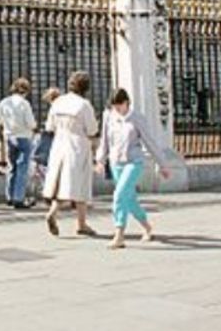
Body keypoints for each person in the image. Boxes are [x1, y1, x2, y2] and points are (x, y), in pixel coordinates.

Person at [95, 88, 172, 249]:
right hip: (116, 162)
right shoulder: (109, 117)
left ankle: (119, 234)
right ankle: (147, 226)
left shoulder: (137, 118)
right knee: (129, 200)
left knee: (119, 195)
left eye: (120, 106)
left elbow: (149, 141)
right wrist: (100, 160)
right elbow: (105, 141)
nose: (117, 109)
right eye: (114, 106)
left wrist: (162, 163)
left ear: (127, 103)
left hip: (134, 162)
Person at [42, 71, 100, 237]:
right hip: (78, 146)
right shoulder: (84, 105)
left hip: (59, 143)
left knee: (61, 182)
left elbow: (49, 127)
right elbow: (92, 129)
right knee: (78, 184)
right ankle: (72, 220)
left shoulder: (58, 101)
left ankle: (71, 219)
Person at [0, 77, 36, 209]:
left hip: (8, 136)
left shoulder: (4, 102)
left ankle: (9, 196)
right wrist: (34, 127)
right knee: (22, 168)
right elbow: (30, 123)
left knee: (11, 167)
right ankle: (19, 197)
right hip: (23, 136)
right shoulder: (24, 104)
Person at [28, 87, 61, 205]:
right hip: (62, 138)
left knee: (44, 165)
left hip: (53, 138)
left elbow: (50, 126)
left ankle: (49, 192)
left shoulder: (54, 108)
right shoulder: (63, 106)